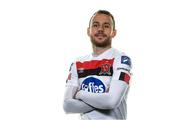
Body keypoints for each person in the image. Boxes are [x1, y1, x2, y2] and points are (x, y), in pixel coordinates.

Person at [63, 10, 132, 120]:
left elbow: (111, 101)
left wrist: (80, 94)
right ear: (88, 31)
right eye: (95, 25)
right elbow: (67, 106)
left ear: (113, 32)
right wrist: (102, 100)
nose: (100, 29)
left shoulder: (121, 59)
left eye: (106, 26)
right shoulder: (77, 63)